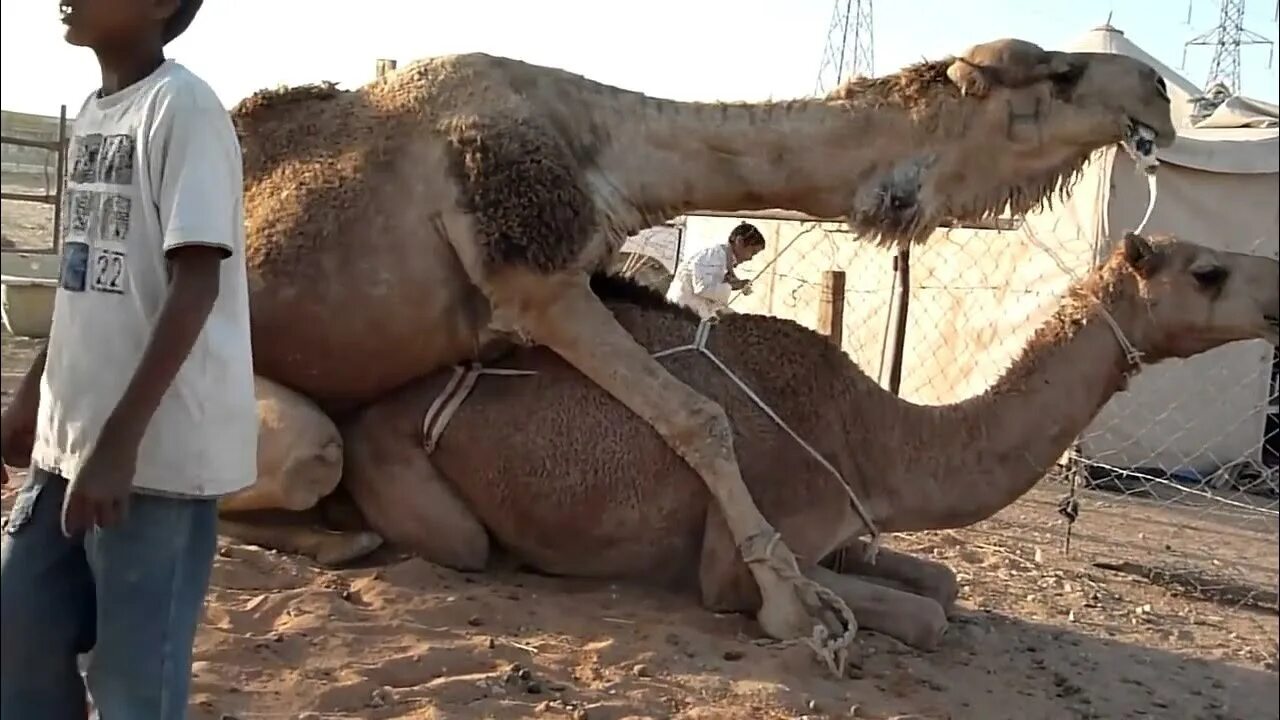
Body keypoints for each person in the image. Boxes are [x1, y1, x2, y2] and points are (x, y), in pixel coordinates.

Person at [0, 1, 257, 717]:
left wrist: (119, 446)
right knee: (20, 638)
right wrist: (32, 393)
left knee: (134, 683)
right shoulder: (94, 112)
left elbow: (195, 283)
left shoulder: (185, 110)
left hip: (152, 465)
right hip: (66, 446)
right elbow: (85, 281)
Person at [664, 221, 767, 319]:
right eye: (752, 252)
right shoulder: (713, 256)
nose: (750, 258)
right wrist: (732, 285)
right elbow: (703, 288)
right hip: (681, 313)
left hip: (689, 314)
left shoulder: (724, 261)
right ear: (739, 241)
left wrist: (733, 285)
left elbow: (715, 288)